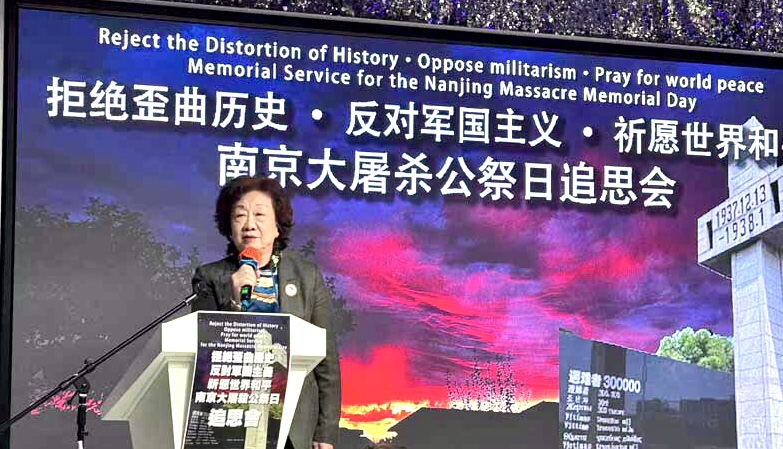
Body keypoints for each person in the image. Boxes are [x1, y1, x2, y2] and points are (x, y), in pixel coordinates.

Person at [191, 175, 341, 449]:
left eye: (259, 214)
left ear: (277, 226)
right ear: (229, 227)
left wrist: (326, 431)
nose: (249, 224)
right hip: (232, 417)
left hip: (294, 423)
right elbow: (206, 354)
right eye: (239, 215)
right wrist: (234, 302)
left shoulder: (306, 276)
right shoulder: (210, 276)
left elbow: (327, 360)